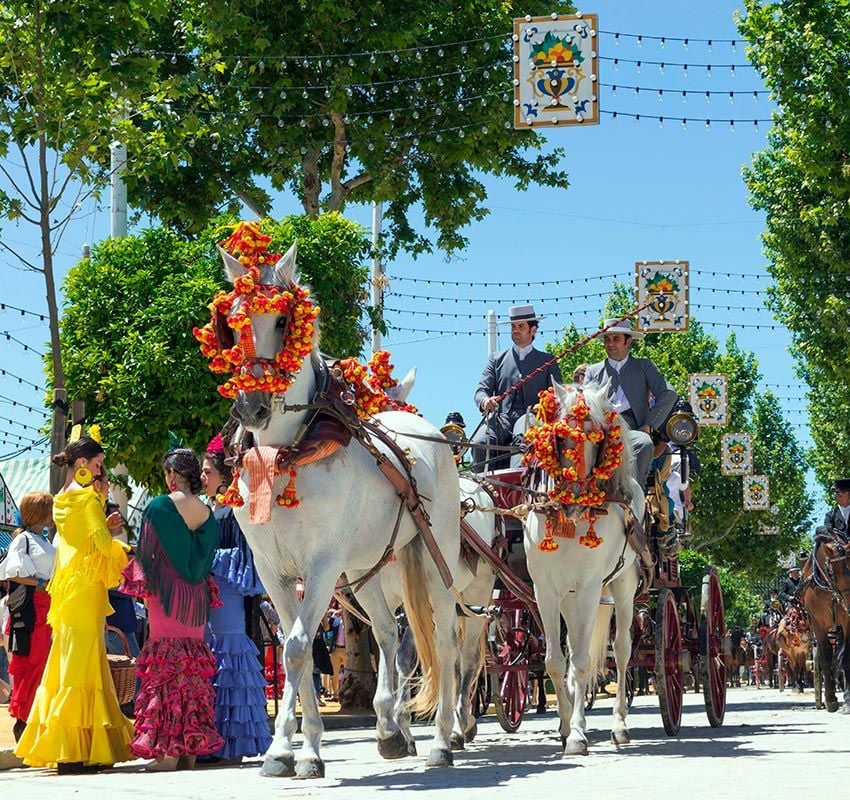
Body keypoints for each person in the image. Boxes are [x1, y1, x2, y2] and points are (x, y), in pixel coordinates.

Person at [15, 436, 133, 773]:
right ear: (82, 464)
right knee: (82, 664)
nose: (100, 471)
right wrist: (125, 551)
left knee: (68, 661)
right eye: (98, 465)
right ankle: (75, 752)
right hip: (83, 587)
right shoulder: (85, 498)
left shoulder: (62, 498)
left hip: (66, 585)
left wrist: (100, 515)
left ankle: (73, 747)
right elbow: (99, 544)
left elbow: (78, 539)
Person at [120, 448, 224, 771]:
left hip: (166, 599)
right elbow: (204, 561)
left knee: (166, 666)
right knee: (191, 668)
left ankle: (166, 753)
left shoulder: (159, 506)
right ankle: (189, 750)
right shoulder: (207, 514)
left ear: (171, 474)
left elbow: (147, 559)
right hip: (194, 600)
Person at [200, 435, 271, 765]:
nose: (203, 477)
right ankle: (216, 740)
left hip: (228, 594)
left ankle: (232, 744)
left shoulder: (234, 507)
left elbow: (245, 558)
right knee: (217, 662)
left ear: (222, 474)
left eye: (207, 471)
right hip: (211, 596)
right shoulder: (214, 508)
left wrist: (207, 558)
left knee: (229, 660)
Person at [582, 319, 678, 484]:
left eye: (616, 339)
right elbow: (584, 405)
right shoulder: (592, 371)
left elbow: (668, 393)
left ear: (629, 341)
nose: (611, 344)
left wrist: (649, 424)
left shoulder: (644, 366)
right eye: (607, 339)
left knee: (644, 443)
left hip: (632, 429)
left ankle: (635, 496)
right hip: (600, 431)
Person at [472, 304, 562, 472]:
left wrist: (544, 406)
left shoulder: (548, 361)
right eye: (513, 326)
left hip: (531, 417)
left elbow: (558, 396)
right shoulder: (496, 359)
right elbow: (481, 391)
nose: (515, 330)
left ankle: (519, 489)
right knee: (479, 442)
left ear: (533, 330)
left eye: (521, 326)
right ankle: (481, 489)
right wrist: (485, 401)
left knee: (524, 440)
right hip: (502, 418)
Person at [0, 492, 56, 742]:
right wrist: (43, 582)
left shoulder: (40, 539)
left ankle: (33, 722)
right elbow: (12, 573)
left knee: (42, 665)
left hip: (46, 606)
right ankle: (24, 722)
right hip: (32, 607)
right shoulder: (23, 539)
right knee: (31, 664)